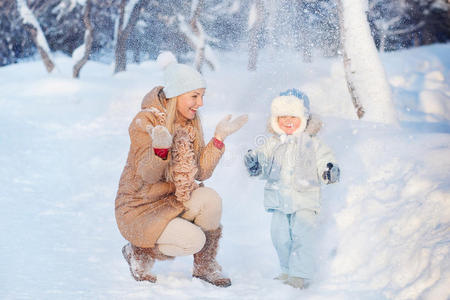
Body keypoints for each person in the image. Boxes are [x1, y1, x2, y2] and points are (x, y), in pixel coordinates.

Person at [115, 52, 248, 287]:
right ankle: (138, 250)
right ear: (176, 95)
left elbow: (201, 173)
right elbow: (148, 174)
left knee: (210, 198)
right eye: (195, 96)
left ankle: (204, 265)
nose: (201, 103)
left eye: (202, 96)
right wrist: (160, 149)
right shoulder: (145, 122)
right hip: (140, 208)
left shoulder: (189, 123)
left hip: (170, 202)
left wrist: (219, 138)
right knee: (193, 239)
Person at [244, 89, 340, 289]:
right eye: (282, 117)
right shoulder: (272, 143)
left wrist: (328, 170)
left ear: (304, 118)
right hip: (279, 201)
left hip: (305, 200)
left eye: (293, 117)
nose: (288, 121)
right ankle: (287, 270)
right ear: (274, 119)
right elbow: (263, 161)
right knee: (279, 237)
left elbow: (325, 159)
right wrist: (255, 163)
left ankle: (299, 273)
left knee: (302, 236)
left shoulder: (312, 143)